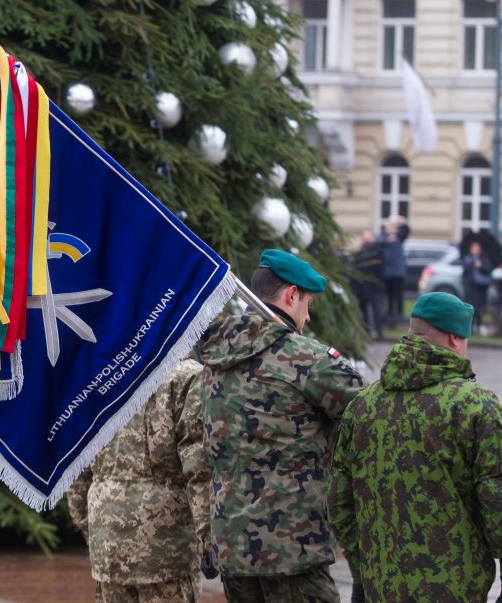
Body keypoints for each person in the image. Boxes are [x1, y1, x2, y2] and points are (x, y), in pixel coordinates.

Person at [189, 249, 364, 602]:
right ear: (290, 295)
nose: (308, 316)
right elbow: (370, 414)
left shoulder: (215, 359)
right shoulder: (308, 359)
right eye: (307, 303)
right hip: (293, 548)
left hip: (233, 544)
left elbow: (201, 450)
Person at [328, 292, 502, 601]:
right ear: (454, 337)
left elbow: (340, 503)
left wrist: (363, 567)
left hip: (379, 587)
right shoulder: (476, 405)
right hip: (455, 590)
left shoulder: (363, 405)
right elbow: (497, 504)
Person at [68, 358, 205, 603]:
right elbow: (200, 471)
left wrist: (92, 528)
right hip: (167, 550)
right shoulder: (187, 377)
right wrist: (210, 540)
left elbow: (75, 467)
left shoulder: (96, 376)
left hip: (108, 544)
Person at [349, 230, 384, 340]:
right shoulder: (359, 253)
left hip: (373, 286)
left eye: (368, 237)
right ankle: (366, 331)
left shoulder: (377, 252)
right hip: (361, 287)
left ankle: (379, 331)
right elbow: (354, 271)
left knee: (376, 310)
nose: (367, 239)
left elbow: (381, 270)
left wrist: (379, 283)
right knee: (363, 310)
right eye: (365, 237)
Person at [376, 215, 410, 325]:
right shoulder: (382, 238)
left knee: (399, 294)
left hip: (398, 272)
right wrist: (387, 240)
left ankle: (399, 314)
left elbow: (406, 231)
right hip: (387, 273)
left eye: (393, 228)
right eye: (390, 228)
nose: (392, 230)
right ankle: (390, 315)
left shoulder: (399, 237)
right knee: (389, 295)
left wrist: (402, 222)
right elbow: (377, 243)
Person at [462, 240, 492, 333]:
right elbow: (464, 272)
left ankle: (478, 328)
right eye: (474, 247)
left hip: (480, 289)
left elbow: (488, 270)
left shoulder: (483, 259)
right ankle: (470, 330)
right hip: (471, 289)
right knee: (470, 310)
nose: (476, 249)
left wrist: (480, 266)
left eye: (477, 247)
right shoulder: (467, 259)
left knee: (479, 310)